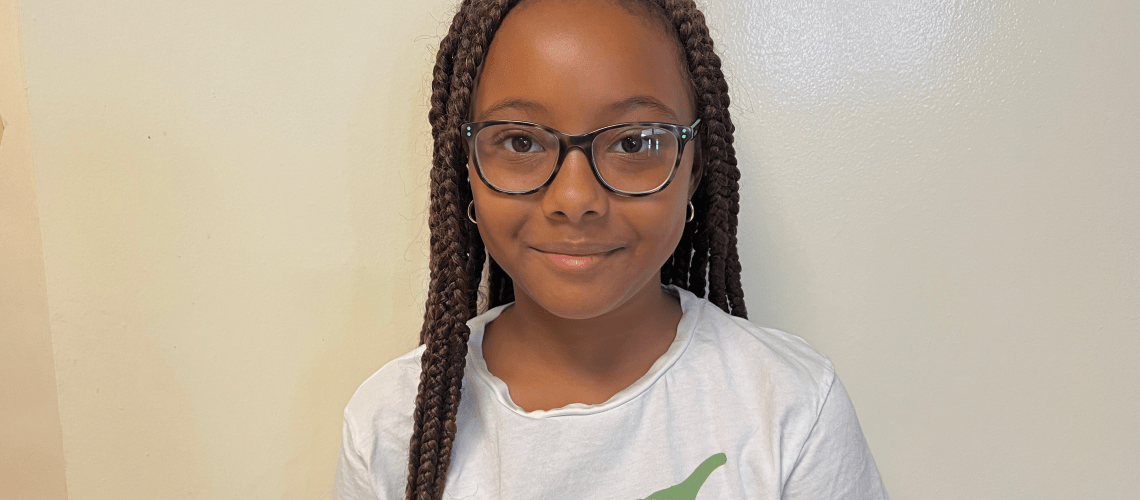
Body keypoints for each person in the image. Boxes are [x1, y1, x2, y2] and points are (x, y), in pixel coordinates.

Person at [336, 0, 889, 498]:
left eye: (633, 141)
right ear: (466, 170)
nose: (574, 199)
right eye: (520, 141)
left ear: (695, 167)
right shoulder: (389, 426)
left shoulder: (792, 407)